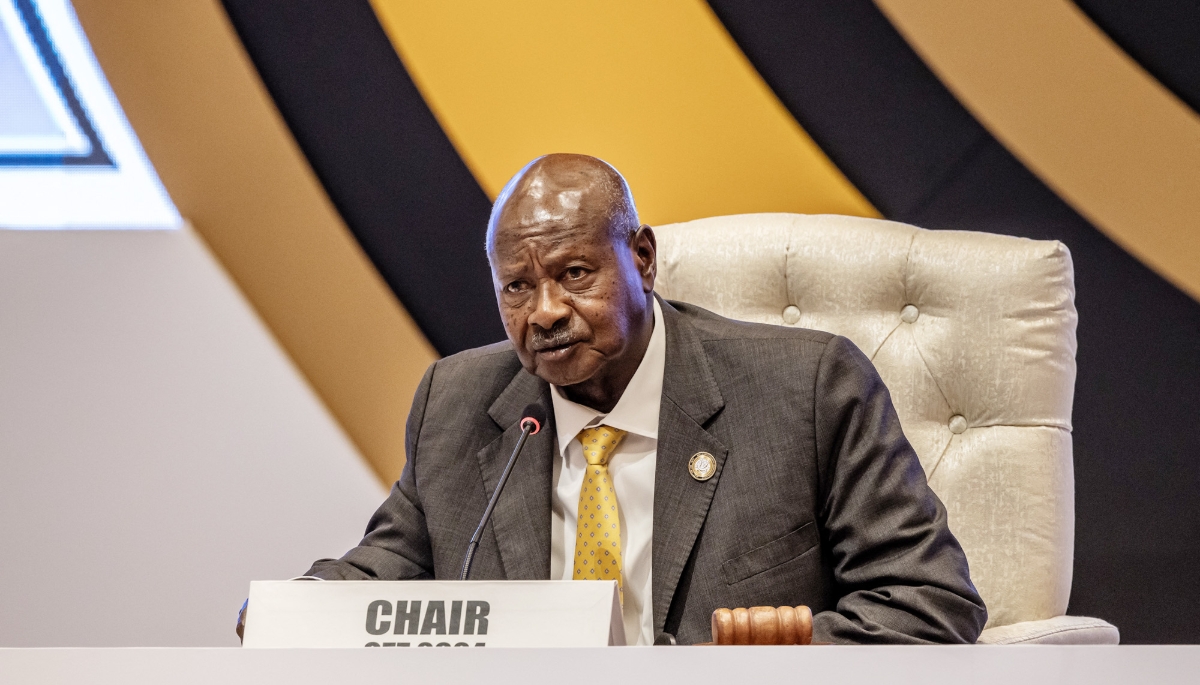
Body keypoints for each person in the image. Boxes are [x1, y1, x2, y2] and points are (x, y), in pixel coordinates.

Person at [242, 153, 986, 645]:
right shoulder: (460, 401)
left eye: (573, 273)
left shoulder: (805, 388)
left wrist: (764, 655)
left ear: (643, 259)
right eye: (517, 286)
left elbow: (928, 600)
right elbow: (391, 566)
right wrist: (294, 608)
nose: (545, 312)